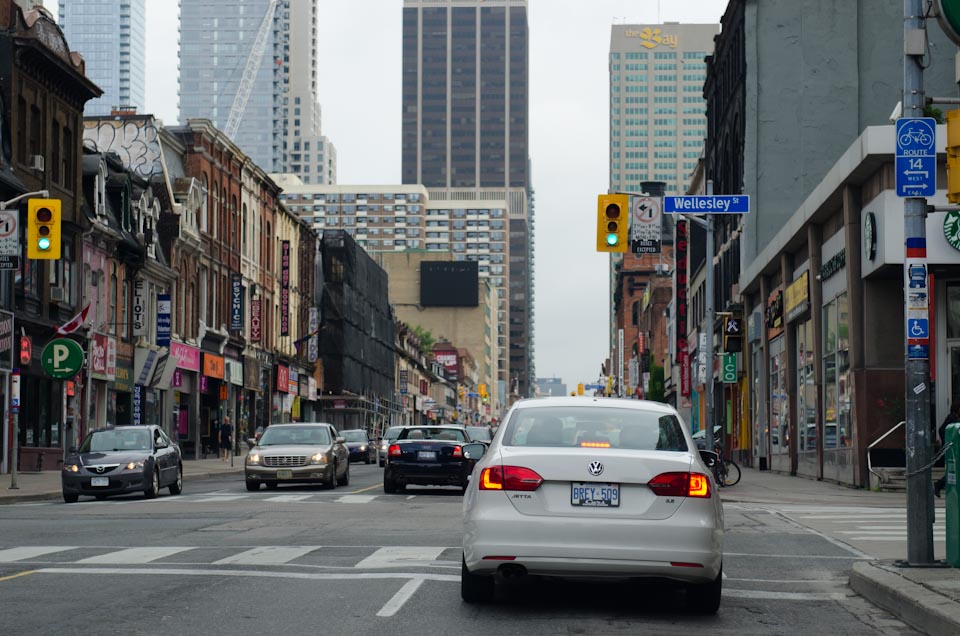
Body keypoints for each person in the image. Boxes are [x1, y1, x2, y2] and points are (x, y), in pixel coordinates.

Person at [934, 402, 960, 497]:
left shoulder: (954, 419)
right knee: (954, 471)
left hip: (953, 449)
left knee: (954, 471)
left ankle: (939, 485)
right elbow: (941, 430)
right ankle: (938, 485)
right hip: (952, 449)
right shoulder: (951, 419)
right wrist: (947, 441)